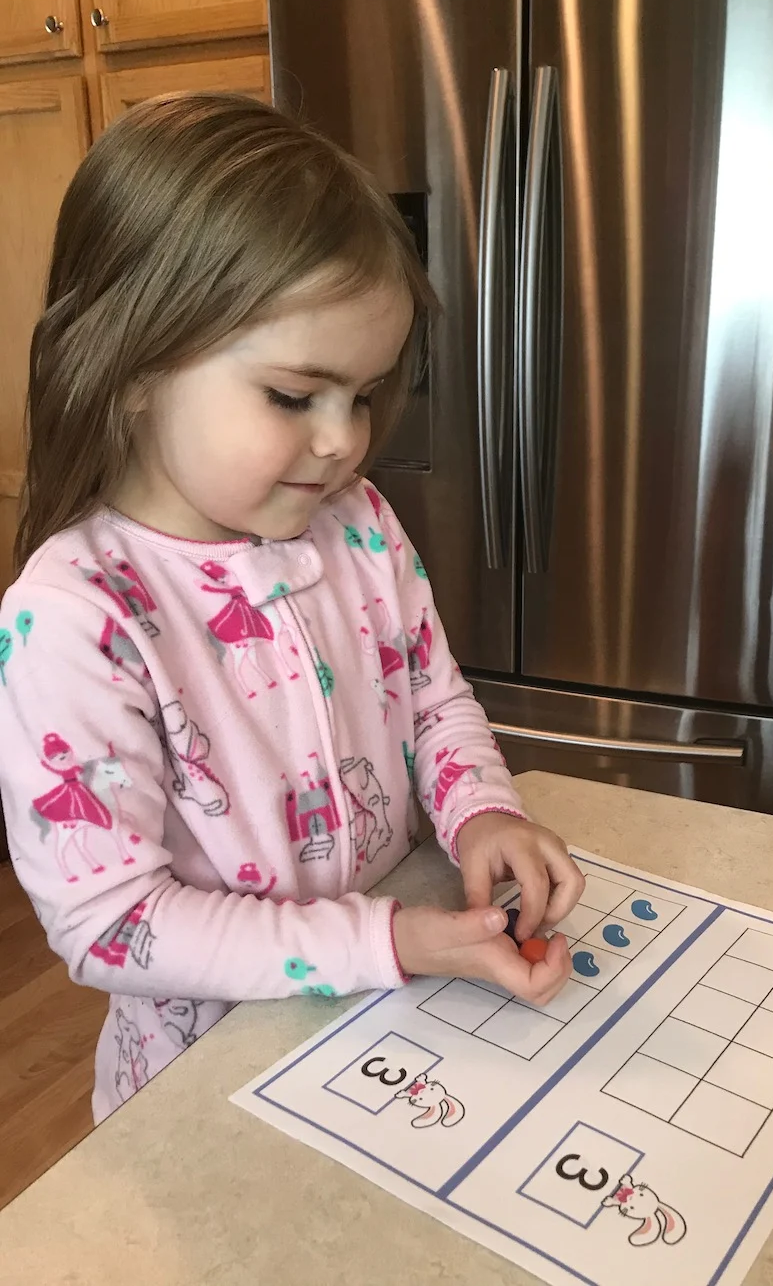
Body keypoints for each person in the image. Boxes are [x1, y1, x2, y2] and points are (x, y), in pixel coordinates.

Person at [0, 93, 584, 1121]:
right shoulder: (75, 618)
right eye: (293, 396)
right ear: (133, 366)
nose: (342, 440)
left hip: (388, 1028)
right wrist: (386, 941)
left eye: (359, 395)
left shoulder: (356, 524)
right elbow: (110, 923)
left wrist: (480, 807)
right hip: (208, 1091)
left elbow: (433, 702)